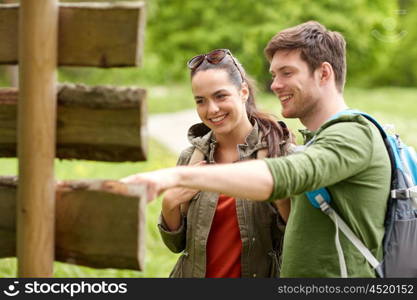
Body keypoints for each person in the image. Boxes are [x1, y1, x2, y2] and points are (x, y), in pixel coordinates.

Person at [122, 21, 391, 278]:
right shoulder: (196, 155)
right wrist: (171, 201)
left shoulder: (348, 135)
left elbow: (286, 176)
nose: (274, 85)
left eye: (286, 73)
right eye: (274, 75)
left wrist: (176, 176)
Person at [157, 49, 293, 278]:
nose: (211, 109)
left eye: (220, 96)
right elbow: (177, 245)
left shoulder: (279, 156)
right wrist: (169, 204)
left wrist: (279, 194)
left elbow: (296, 242)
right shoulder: (191, 158)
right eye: (201, 101)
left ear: (243, 92)